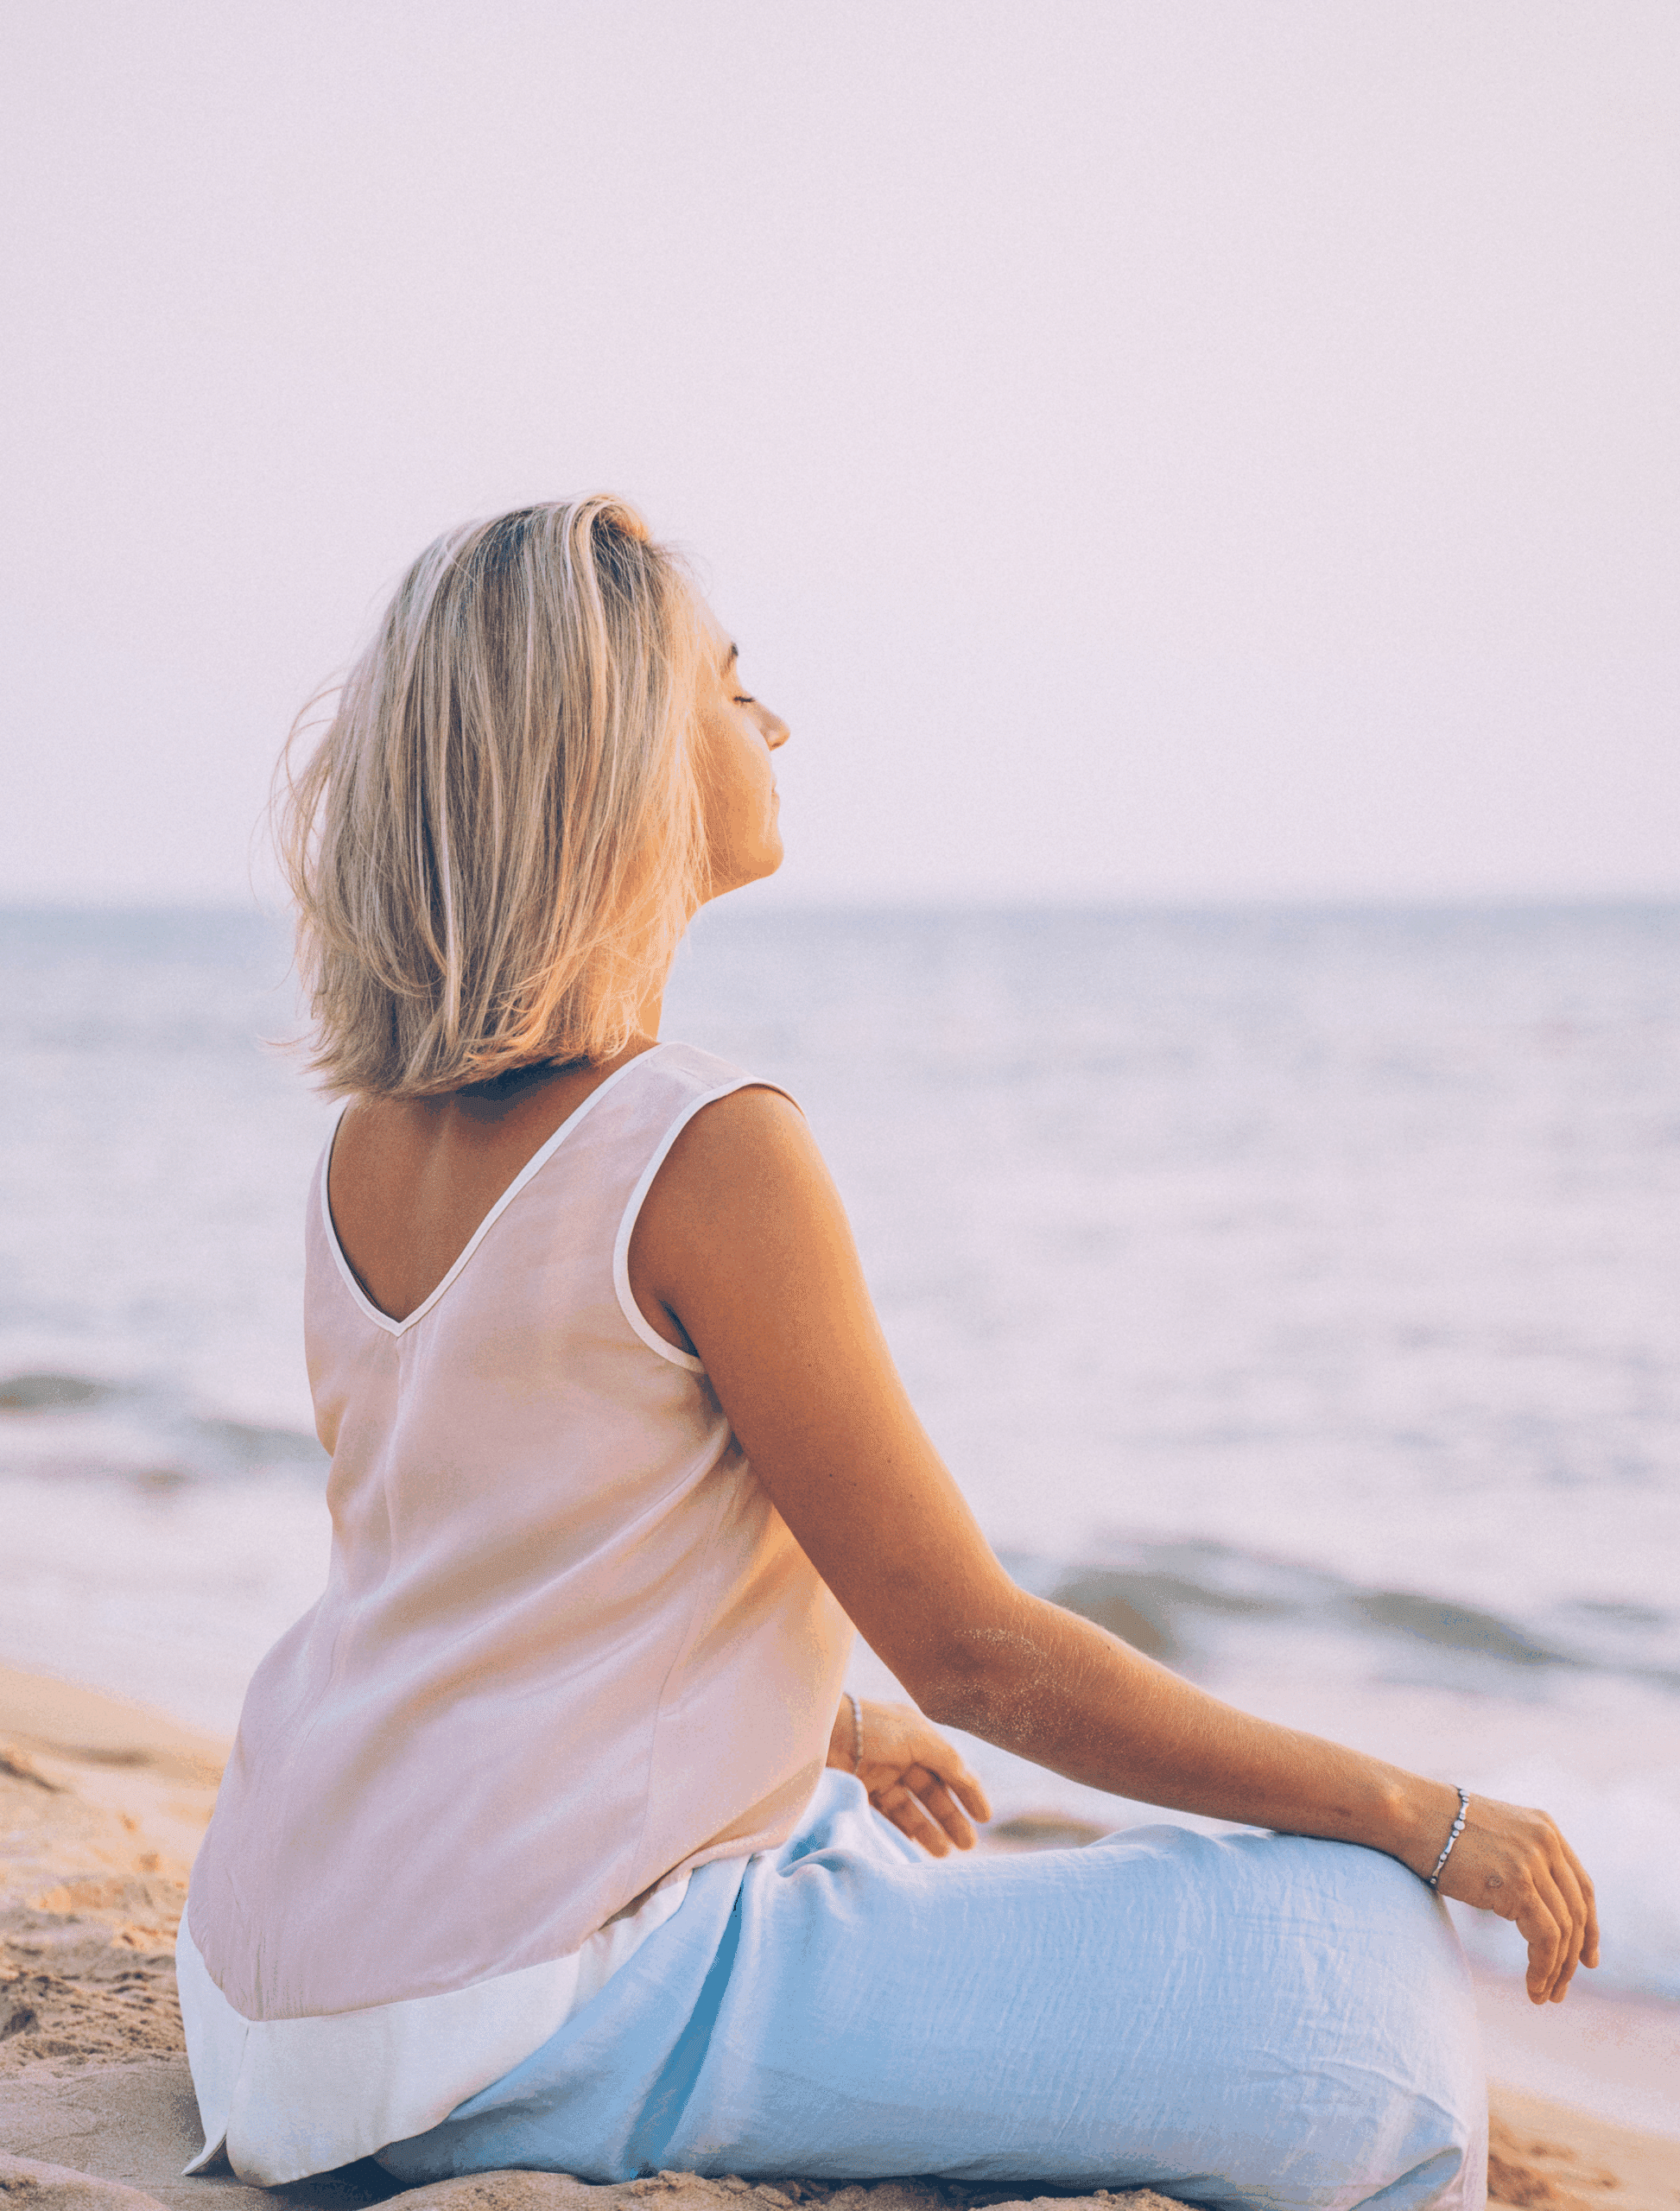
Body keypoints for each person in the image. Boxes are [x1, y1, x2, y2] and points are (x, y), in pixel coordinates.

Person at [175, 496, 1597, 2210]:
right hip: (514, 2012)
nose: (768, 720)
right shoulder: (704, 1146)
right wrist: (1426, 1815)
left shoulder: (364, 1145)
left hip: (267, 1995)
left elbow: (484, 1571)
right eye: (727, 683)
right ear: (613, 749)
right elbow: (977, 1655)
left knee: (845, 1835)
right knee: (1371, 1994)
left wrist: (822, 1724)